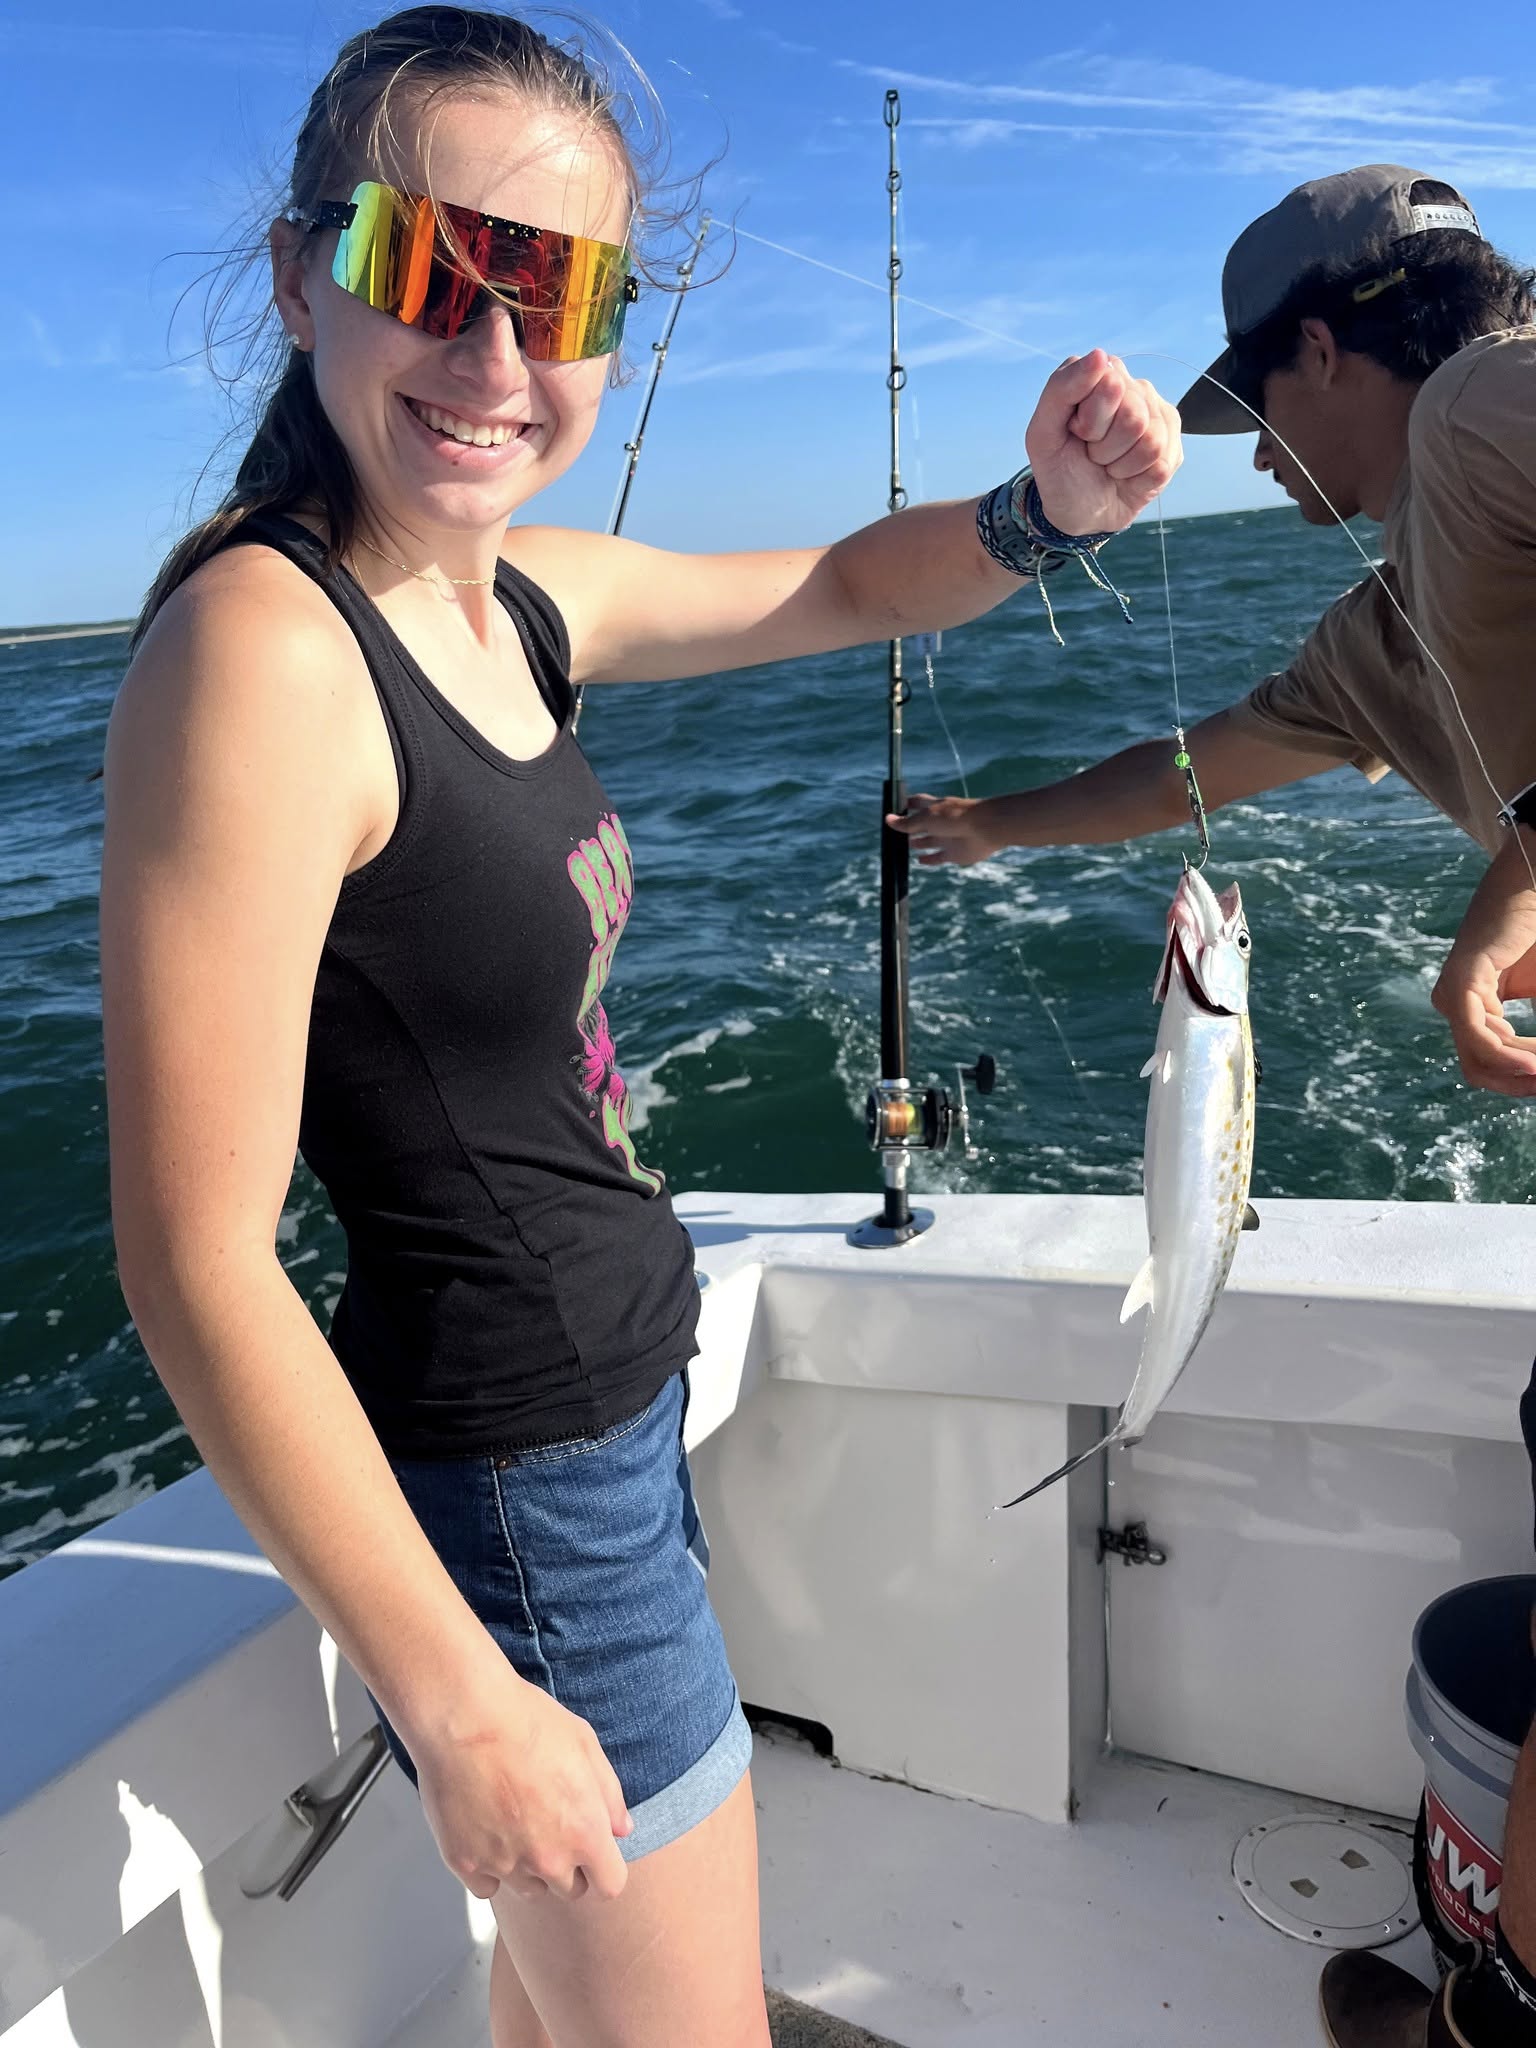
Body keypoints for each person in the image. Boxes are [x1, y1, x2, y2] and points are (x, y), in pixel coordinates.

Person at [98, 9, 1181, 2045]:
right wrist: (460, 1696)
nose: (497, 349)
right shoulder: (263, 652)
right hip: (525, 1494)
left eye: (562, 288)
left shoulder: (505, 594)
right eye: (434, 265)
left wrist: (1041, 510)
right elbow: (195, 1261)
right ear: (301, 275)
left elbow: (841, 585)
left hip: (597, 1427)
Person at [889, 164, 1536, 2047]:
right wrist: (991, 826)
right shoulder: (1395, 634)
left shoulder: (1483, 405)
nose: (1253, 457)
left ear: (1327, 349)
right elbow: (1191, 768)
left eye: (1255, 408)